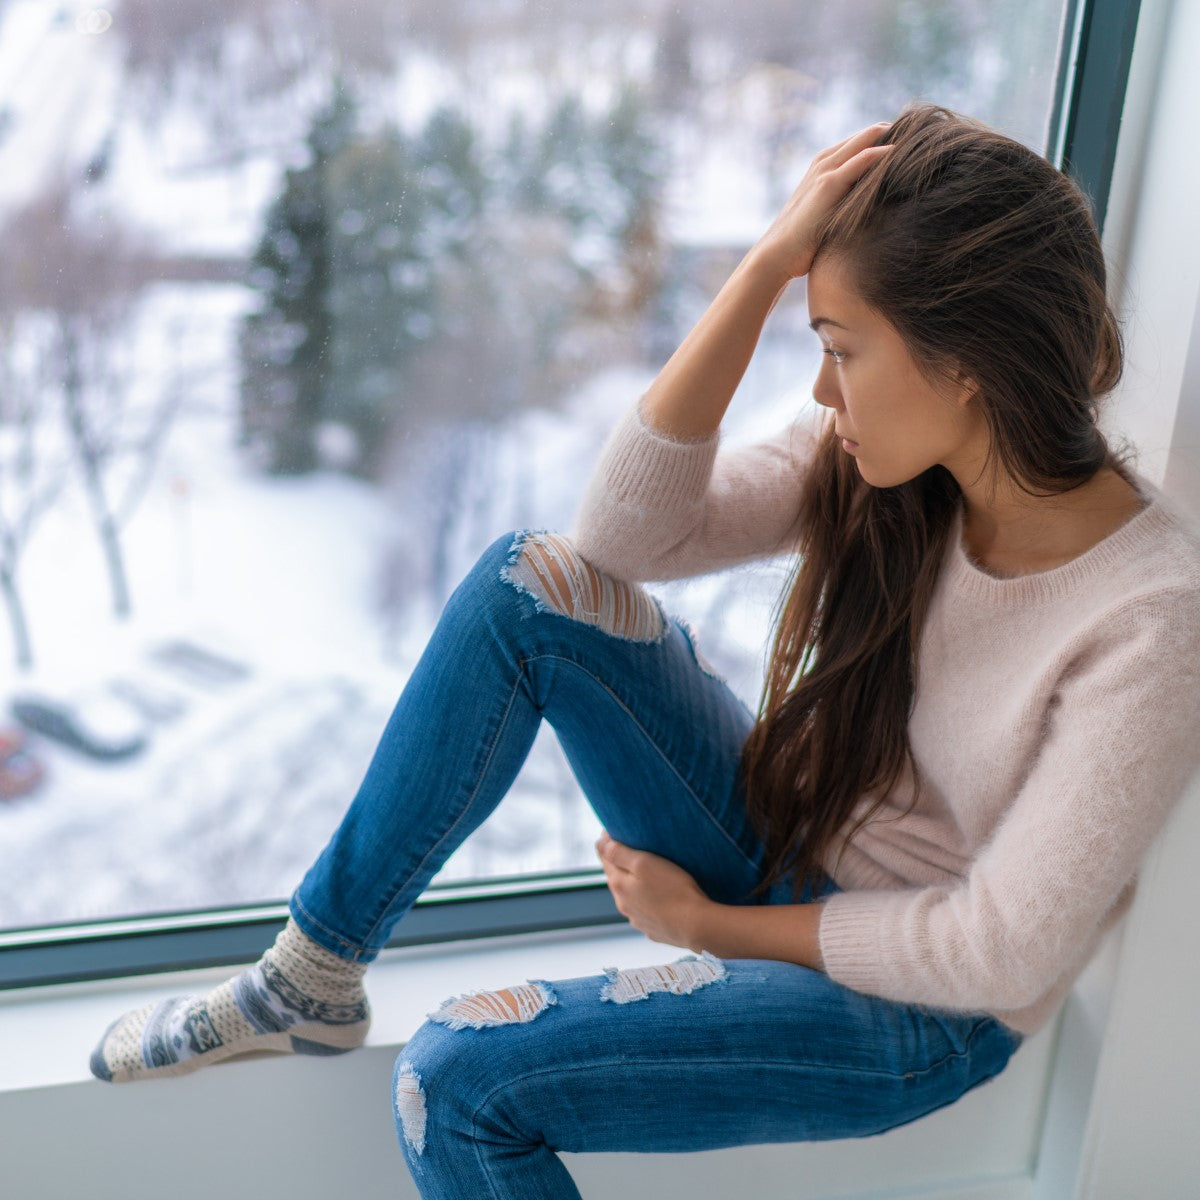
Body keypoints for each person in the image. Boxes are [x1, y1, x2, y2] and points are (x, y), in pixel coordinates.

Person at [90, 104, 1200, 1200]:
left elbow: (998, 950)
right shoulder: (886, 462)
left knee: (455, 1081)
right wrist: (763, 269)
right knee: (527, 584)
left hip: (920, 1004)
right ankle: (309, 974)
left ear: (966, 364)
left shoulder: (1151, 618)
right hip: (793, 839)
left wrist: (710, 929)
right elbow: (623, 539)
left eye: (840, 350)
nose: (823, 391)